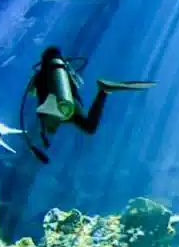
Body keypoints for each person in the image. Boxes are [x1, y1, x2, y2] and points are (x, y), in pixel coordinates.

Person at [20, 46, 156, 163]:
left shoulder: (39, 75)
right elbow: (78, 83)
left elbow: (31, 93)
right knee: (89, 126)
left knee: (50, 124)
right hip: (70, 103)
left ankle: (103, 91)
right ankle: (103, 91)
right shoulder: (64, 69)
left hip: (54, 107)